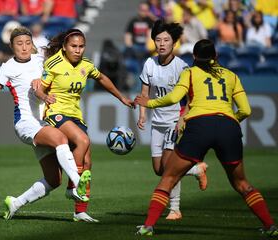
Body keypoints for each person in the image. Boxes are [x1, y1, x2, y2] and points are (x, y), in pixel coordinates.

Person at [134, 39, 278, 237]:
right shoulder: (231, 75)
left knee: (168, 177)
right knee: (242, 183)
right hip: (228, 127)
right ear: (216, 57)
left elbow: (174, 98)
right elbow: (246, 110)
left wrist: (149, 103)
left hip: (199, 126)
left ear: (194, 57)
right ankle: (271, 226)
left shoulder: (189, 73)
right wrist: (230, 121)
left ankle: (148, 226)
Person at [0, 26, 91, 220]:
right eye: (19, 44)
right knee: (61, 138)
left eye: (28, 43)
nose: (24, 47)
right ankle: (77, 184)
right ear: (11, 46)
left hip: (46, 122)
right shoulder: (8, 67)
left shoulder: (41, 60)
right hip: (26, 123)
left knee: (54, 179)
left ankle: (15, 203)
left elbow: (61, 56)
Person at [34, 28, 135, 222]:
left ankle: (80, 211)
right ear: (64, 47)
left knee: (88, 163)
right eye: (73, 46)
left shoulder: (87, 65)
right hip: (56, 113)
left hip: (75, 116)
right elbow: (39, 89)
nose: (78, 50)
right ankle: (73, 187)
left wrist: (121, 97)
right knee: (83, 140)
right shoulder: (53, 63)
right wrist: (45, 96)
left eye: (81, 46)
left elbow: (102, 78)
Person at [137, 19, 208, 221]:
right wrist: (142, 115)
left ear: (174, 43)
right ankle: (196, 169)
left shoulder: (182, 68)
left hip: (174, 122)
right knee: (158, 169)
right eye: (158, 40)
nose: (161, 44)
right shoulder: (150, 63)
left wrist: (183, 118)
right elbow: (144, 92)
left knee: (169, 168)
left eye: (166, 40)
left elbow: (191, 98)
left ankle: (174, 209)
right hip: (157, 123)